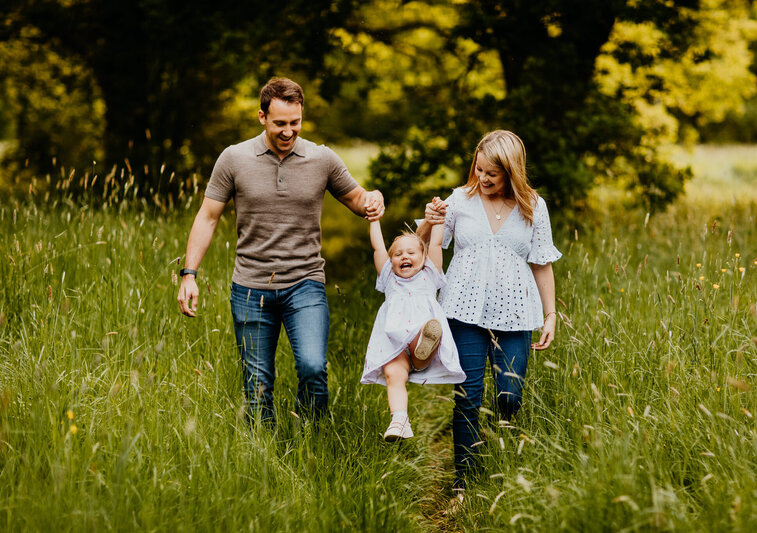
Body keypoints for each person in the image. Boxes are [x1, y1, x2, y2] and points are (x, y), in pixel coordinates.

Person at [177, 77, 384, 425]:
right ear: (261, 117)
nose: (289, 131)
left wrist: (373, 199)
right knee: (257, 388)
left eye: (295, 123)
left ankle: (310, 440)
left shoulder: (322, 159)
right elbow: (208, 218)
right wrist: (189, 274)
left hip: (305, 284)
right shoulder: (234, 159)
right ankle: (265, 458)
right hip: (250, 288)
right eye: (280, 124)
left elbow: (358, 200)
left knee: (314, 368)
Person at [417, 130, 561, 493]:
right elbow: (425, 244)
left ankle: (503, 471)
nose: (482, 179)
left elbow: (542, 263)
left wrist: (550, 315)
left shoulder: (533, 206)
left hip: (515, 315)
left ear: (511, 172)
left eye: (491, 174)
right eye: (478, 170)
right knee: (468, 397)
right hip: (463, 311)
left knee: (509, 397)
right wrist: (427, 220)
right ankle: (464, 484)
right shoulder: (459, 201)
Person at [360, 208, 465, 441]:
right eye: (397, 254)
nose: (404, 257)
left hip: (419, 345)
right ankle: (399, 420)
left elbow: (436, 245)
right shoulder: (388, 278)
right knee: (392, 375)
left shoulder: (430, 274)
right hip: (394, 346)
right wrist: (374, 220)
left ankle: (427, 341)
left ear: (423, 257)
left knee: (424, 334)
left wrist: (439, 220)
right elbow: (378, 247)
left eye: (410, 252)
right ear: (391, 261)